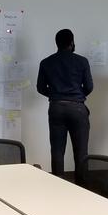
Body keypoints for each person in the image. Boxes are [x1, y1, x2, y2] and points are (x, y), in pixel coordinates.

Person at [36, 29, 93, 185]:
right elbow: (89, 86)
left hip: (56, 108)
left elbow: (40, 87)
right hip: (77, 108)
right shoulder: (82, 61)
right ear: (72, 43)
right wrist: (77, 95)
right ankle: (81, 187)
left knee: (57, 150)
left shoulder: (46, 62)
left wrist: (55, 95)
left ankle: (58, 186)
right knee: (81, 152)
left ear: (57, 43)